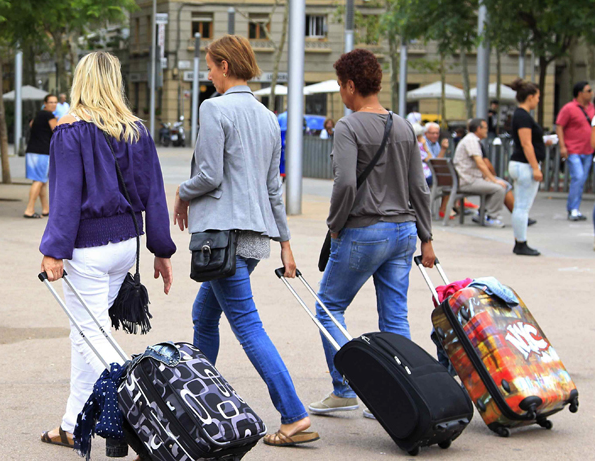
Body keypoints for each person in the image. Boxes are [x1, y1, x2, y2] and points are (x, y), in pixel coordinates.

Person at [173, 35, 319, 448]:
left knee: (248, 326)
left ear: (223, 65)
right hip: (254, 240)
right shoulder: (268, 116)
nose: (208, 74)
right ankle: (199, 402)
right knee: (204, 316)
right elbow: (274, 187)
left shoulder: (214, 108)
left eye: (209, 66)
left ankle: (293, 416)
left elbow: (209, 176)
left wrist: (182, 192)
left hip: (222, 239)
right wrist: (285, 242)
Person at [38, 50, 175, 450]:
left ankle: (144, 419)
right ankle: (71, 424)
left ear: (81, 80)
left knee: (90, 336)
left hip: (87, 248)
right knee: (85, 332)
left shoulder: (70, 131)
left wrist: (53, 250)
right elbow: (155, 192)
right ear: (114, 81)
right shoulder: (136, 131)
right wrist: (160, 249)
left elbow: (64, 198)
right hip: (126, 245)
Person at [307, 49, 435, 419]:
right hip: (404, 232)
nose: (340, 93)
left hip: (364, 230)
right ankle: (405, 392)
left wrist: (334, 224)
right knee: (395, 316)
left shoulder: (348, 126)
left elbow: (345, 182)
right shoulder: (403, 126)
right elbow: (419, 187)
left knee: (329, 307)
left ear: (350, 85)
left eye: (339, 86)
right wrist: (426, 237)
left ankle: (346, 387)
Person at [509, 79, 550, 256]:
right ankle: (521, 242)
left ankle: (520, 241)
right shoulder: (523, 116)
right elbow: (526, 144)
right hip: (524, 165)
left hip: (520, 164)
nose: (539, 100)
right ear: (531, 97)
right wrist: (535, 167)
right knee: (522, 207)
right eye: (538, 97)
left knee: (520, 206)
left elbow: (527, 142)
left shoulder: (520, 115)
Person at [454, 118, 508, 228]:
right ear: (478, 128)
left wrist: (488, 178)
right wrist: (493, 179)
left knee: (496, 186)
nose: (487, 131)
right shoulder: (471, 140)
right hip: (468, 181)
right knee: (499, 188)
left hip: (468, 179)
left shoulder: (471, 139)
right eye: (485, 128)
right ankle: (490, 217)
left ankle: (482, 214)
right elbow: (480, 163)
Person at [555, 81, 593, 221]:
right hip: (573, 150)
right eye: (588, 91)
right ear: (580, 93)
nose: (591, 93)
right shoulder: (569, 108)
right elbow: (559, 126)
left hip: (588, 150)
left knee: (581, 179)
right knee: (578, 177)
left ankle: (575, 208)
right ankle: (572, 209)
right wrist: (562, 146)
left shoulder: (592, 108)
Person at [23, 94, 57, 218]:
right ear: (45, 103)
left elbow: (31, 125)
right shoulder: (49, 115)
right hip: (42, 152)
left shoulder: (39, 115)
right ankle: (29, 209)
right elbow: (57, 131)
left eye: (55, 102)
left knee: (42, 181)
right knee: (39, 181)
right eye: (51, 102)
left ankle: (46, 209)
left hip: (31, 151)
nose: (54, 104)